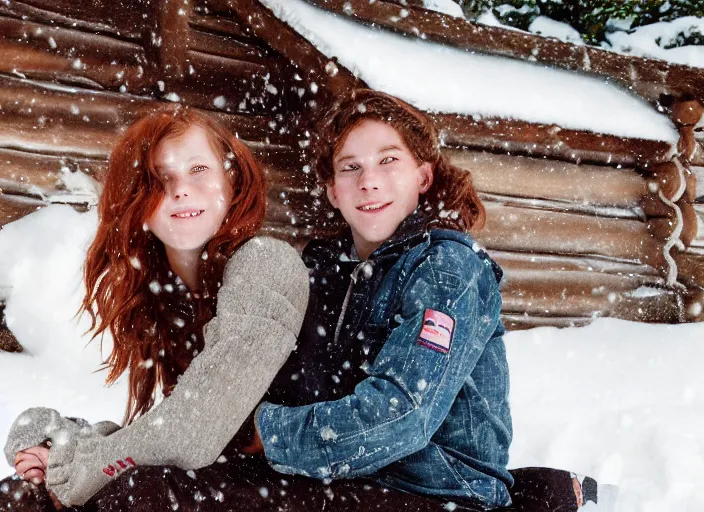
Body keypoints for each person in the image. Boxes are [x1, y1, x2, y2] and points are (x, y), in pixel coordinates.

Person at [250, 89, 601, 511]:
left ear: (423, 177)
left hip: (438, 493)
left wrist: (266, 433)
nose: (369, 180)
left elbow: (401, 417)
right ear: (332, 191)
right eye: (351, 167)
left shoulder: (446, 269)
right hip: (345, 479)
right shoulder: (324, 270)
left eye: (388, 160)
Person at [1, 108, 310, 509]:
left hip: (307, 487)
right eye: (160, 177)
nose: (180, 188)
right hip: (232, 483)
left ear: (231, 180)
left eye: (198, 168)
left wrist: (80, 468)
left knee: (132, 493)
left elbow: (192, 434)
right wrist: (63, 445)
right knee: (24, 498)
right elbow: (166, 431)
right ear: (137, 196)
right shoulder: (170, 294)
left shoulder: (266, 261)